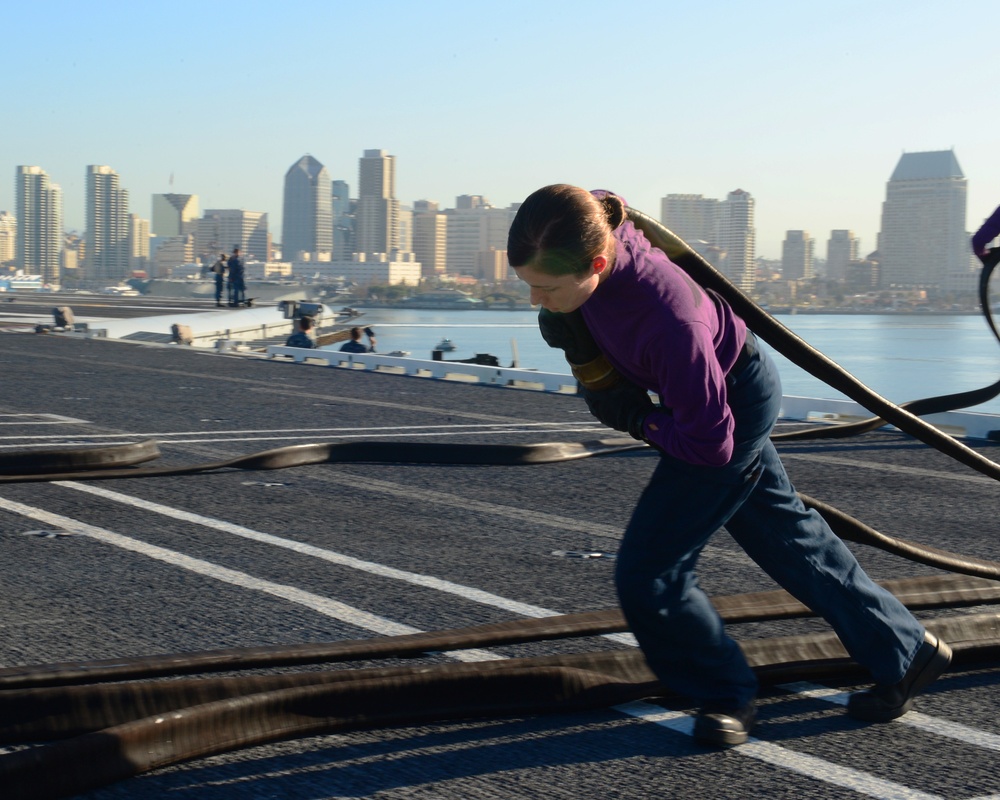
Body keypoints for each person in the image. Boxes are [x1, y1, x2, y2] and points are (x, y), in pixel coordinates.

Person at [507, 184, 951, 748]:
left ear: (598, 263)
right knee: (786, 537)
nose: (534, 300)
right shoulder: (591, 229)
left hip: (726, 407)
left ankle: (725, 694)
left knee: (650, 571)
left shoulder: (669, 320)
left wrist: (638, 421)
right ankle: (906, 652)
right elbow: (599, 202)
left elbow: (709, 444)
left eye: (545, 288)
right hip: (713, 389)